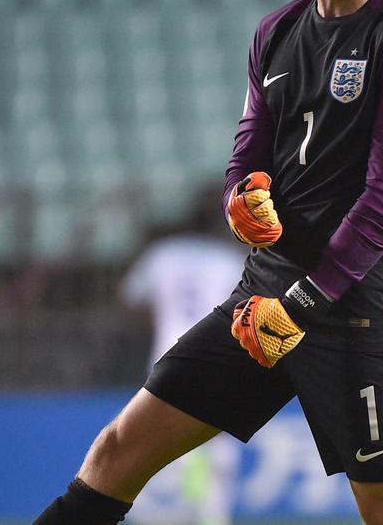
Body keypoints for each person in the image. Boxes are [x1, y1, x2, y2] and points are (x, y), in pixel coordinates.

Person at [32, 0, 383, 525]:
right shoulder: (276, 33)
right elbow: (247, 150)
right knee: (115, 452)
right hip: (260, 298)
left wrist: (304, 302)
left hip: (352, 306)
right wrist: (241, 199)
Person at [118, 185, 247, 525]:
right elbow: (244, 310)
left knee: (160, 436)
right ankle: (208, 514)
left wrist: (160, 318)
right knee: (213, 440)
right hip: (213, 355)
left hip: (166, 354)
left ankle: (159, 510)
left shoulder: (163, 253)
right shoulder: (227, 259)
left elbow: (130, 298)